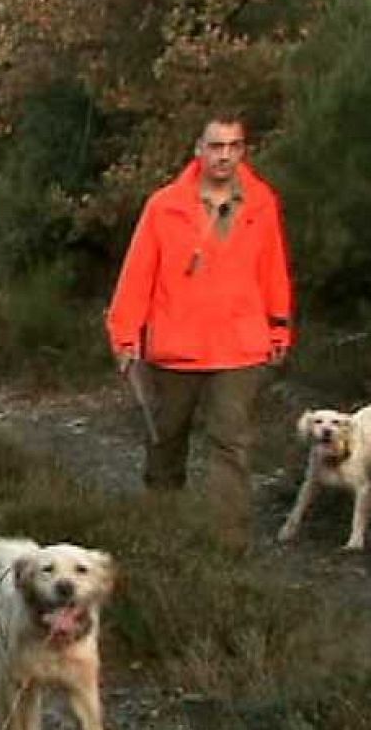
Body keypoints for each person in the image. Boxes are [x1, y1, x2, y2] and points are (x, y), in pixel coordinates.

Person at [105, 115, 295, 552]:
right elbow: (138, 273)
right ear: (198, 149)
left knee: (231, 447)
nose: (224, 155)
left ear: (243, 150)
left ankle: (226, 551)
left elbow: (273, 270)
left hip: (239, 348)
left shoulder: (262, 203)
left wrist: (278, 326)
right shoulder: (164, 205)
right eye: (216, 145)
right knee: (165, 445)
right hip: (176, 348)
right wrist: (124, 334)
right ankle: (162, 538)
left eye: (233, 145)